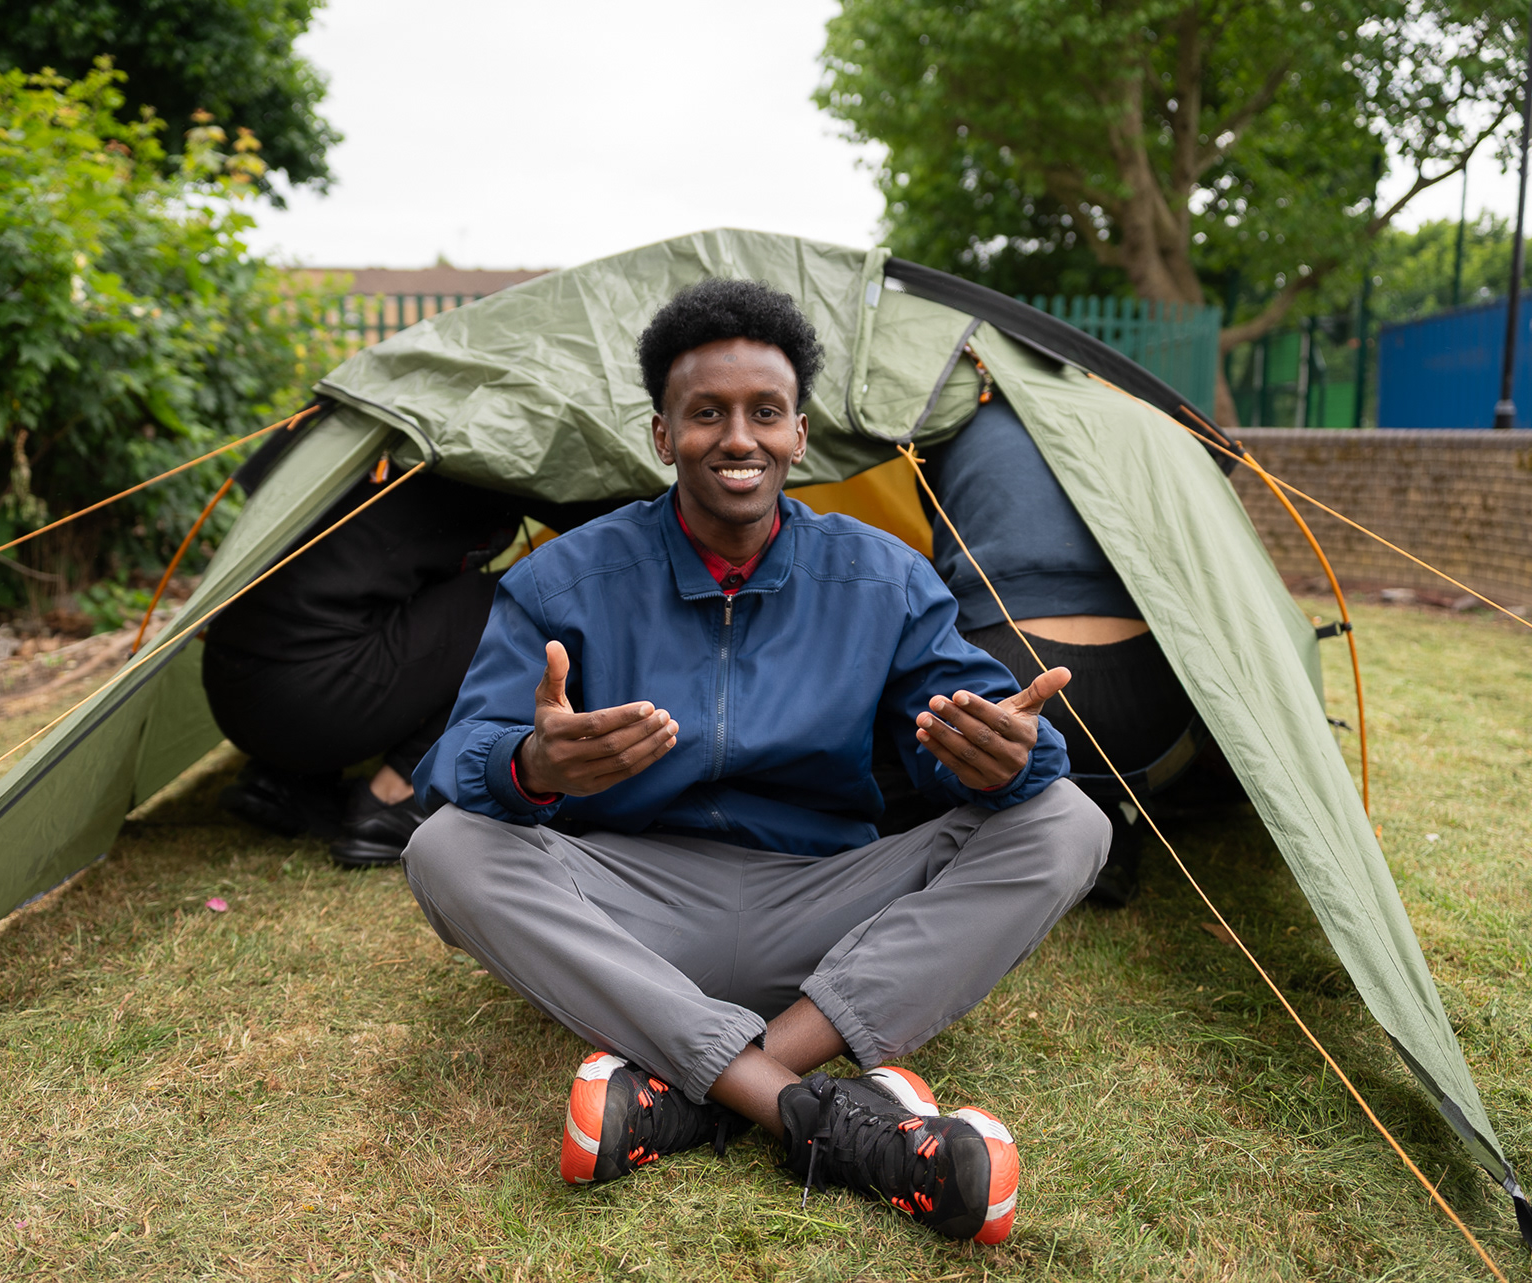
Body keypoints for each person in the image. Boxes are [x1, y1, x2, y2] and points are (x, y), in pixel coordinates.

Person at [404, 279, 1109, 1244]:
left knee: (1068, 819)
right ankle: (811, 1115)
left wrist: (1006, 758)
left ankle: (705, 1095)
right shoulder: (564, 578)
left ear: (799, 434)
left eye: (765, 412)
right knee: (446, 848)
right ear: (663, 436)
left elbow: (976, 730)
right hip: (632, 910)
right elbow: (457, 760)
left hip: (822, 905)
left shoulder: (884, 576)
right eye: (707, 413)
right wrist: (531, 763)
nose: (739, 437)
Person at [202, 470, 611, 866]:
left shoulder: (382, 446)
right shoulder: (501, 457)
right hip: (314, 701)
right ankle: (392, 797)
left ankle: (288, 780)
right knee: (534, 594)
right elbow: (611, 520)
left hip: (229, 682)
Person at [918, 394, 1233, 905]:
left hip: (1008, 668)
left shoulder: (944, 418)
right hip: (1161, 710)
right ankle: (1122, 816)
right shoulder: (1129, 413)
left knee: (941, 700)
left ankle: (1008, 824)